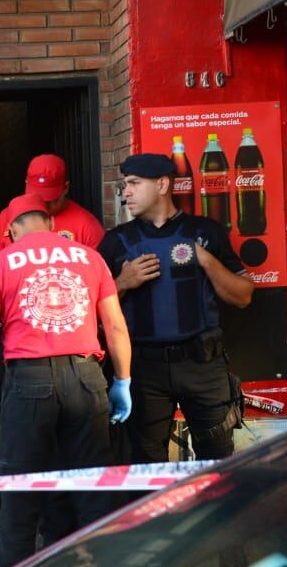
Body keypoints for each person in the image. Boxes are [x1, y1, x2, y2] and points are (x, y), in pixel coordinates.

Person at [0, 193, 133, 567]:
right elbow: (116, 326)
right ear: (52, 223)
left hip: (29, 382)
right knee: (94, 492)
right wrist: (123, 380)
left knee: (19, 494)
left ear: (10, 230)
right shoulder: (91, 258)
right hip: (87, 379)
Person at [0, 154, 106, 560]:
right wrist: (124, 381)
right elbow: (113, 317)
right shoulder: (86, 251)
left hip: (31, 372)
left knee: (20, 485)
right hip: (85, 372)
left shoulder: (84, 227)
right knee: (91, 485)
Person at [97, 153, 253, 465]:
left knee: (217, 461)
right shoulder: (117, 241)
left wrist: (206, 260)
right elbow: (89, 309)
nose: (125, 191)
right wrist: (123, 282)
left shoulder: (205, 231)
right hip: (143, 369)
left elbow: (243, 296)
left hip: (202, 365)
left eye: (133, 184)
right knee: (144, 463)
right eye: (125, 185)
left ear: (163, 184)